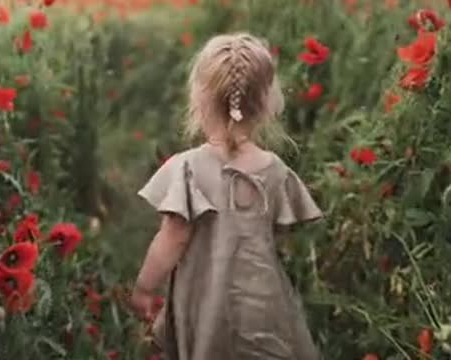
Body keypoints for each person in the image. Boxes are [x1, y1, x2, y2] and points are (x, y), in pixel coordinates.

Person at [130, 32, 323, 360]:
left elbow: (173, 237)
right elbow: (280, 235)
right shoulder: (274, 169)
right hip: (263, 301)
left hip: (206, 301)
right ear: (265, 103)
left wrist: (145, 287)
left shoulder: (188, 168)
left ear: (201, 98)